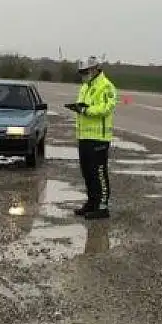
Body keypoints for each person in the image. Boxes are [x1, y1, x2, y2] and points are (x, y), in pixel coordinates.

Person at [64, 56, 118, 219]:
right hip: (84, 136)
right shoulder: (85, 86)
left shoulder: (106, 86)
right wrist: (78, 108)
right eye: (81, 73)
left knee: (99, 172)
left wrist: (86, 110)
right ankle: (91, 202)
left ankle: (102, 206)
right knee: (87, 172)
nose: (83, 75)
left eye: (85, 72)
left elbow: (106, 108)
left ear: (95, 69)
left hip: (99, 138)